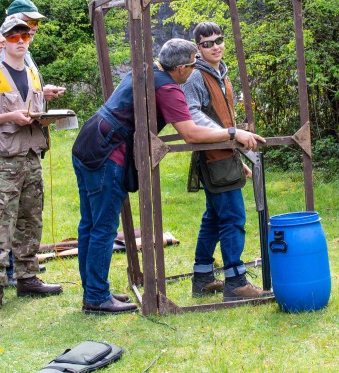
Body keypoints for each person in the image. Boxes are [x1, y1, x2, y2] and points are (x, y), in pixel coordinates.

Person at [71, 38, 266, 314]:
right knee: (102, 225)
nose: (194, 69)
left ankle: (94, 290)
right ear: (182, 68)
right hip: (107, 152)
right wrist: (234, 134)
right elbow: (191, 132)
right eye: (192, 64)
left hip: (89, 142)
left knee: (89, 224)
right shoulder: (169, 88)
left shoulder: (148, 70)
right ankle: (96, 297)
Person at [182, 22, 271, 301]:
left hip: (224, 154)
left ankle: (203, 277)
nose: (215, 46)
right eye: (208, 43)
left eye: (218, 40)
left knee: (214, 217)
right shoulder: (197, 76)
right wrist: (226, 138)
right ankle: (236, 282)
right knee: (232, 217)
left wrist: (234, 153)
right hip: (214, 155)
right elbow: (192, 114)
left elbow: (223, 116)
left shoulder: (221, 73)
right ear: (198, 48)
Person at [0, 18, 62, 312]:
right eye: (13, 36)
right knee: (1, 222)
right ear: (2, 40)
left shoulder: (33, 74)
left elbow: (33, 109)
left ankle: (28, 277)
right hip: (3, 161)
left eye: (25, 36)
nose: (20, 41)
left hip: (31, 157)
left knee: (30, 219)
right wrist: (9, 117)